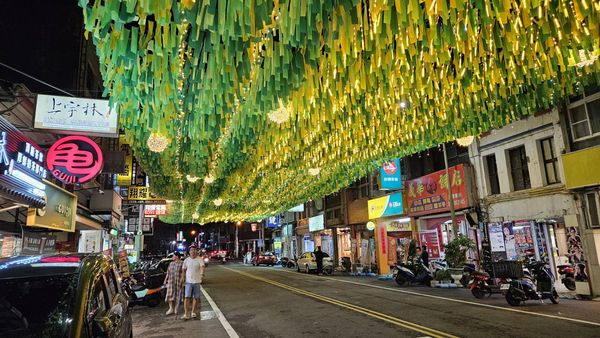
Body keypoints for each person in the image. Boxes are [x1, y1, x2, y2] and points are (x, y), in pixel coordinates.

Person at [182, 244, 205, 320]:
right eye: (191, 250)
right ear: (189, 251)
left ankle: (193, 312)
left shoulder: (200, 259)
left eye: (195, 250)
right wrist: (183, 278)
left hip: (197, 281)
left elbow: (202, 267)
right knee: (187, 297)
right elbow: (184, 270)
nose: (193, 251)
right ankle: (186, 313)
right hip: (188, 281)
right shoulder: (186, 260)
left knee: (196, 297)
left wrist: (201, 274)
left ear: (197, 251)